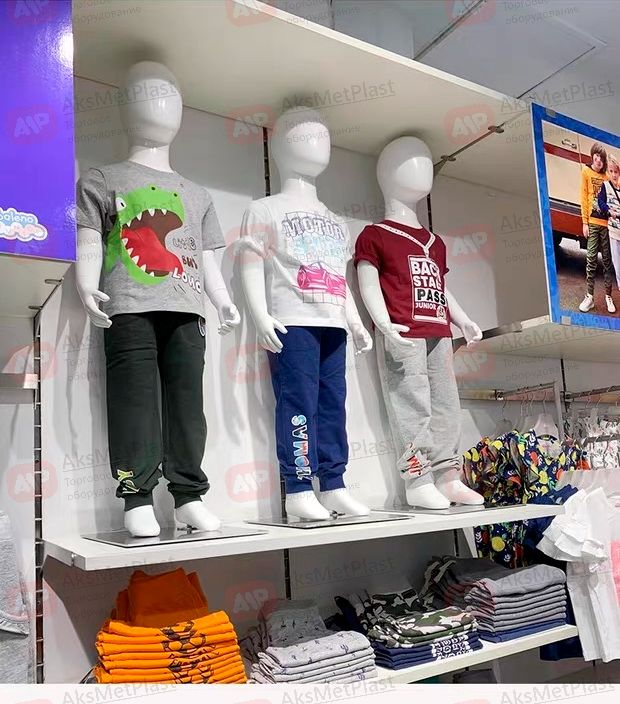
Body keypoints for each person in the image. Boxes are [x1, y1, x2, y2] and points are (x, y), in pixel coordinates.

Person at [579, 142, 614, 313]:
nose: (599, 160)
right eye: (597, 156)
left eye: (602, 158)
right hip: (592, 223)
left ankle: (608, 296)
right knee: (591, 259)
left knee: (607, 261)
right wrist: (584, 222)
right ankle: (589, 297)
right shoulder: (586, 172)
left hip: (606, 225)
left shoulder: (607, 177)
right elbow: (583, 197)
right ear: (593, 156)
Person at [598, 154, 620, 295]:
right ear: (607, 172)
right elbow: (600, 201)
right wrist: (608, 211)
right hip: (613, 231)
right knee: (617, 262)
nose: (613, 175)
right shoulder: (605, 186)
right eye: (611, 171)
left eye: (616, 172)